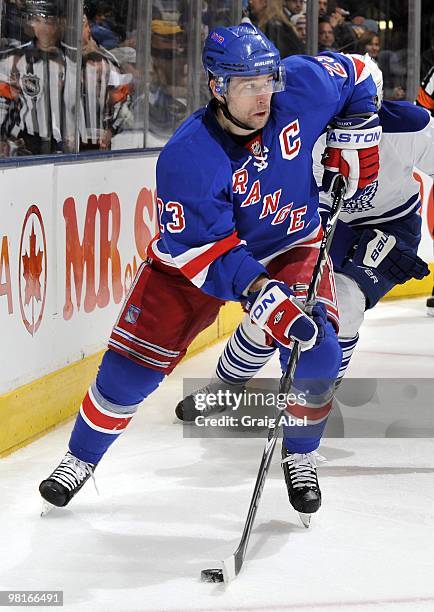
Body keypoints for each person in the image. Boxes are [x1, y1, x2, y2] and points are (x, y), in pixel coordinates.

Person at [39, 23, 381, 525]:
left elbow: (360, 73)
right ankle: (79, 459)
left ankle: (301, 454)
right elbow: (209, 254)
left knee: (321, 350)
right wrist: (267, 300)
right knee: (129, 371)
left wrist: (358, 138)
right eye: (248, 85)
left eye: (268, 81)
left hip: (288, 243)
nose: (264, 95)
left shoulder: (302, 86)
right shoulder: (189, 156)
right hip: (197, 263)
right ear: (217, 86)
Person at [177, 57, 432, 424]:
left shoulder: (411, 126)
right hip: (320, 226)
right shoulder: (300, 128)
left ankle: (312, 403)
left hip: (390, 227)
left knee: (344, 307)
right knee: (274, 312)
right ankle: (224, 386)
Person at [0, 0, 67, 155]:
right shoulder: (15, 59)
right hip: (23, 140)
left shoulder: (71, 60)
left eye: (49, 22)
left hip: (59, 143)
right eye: (39, 20)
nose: (45, 27)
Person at [62, 11, 131, 152]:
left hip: (96, 146)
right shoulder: (53, 61)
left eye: (86, 26)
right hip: (56, 146)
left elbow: (124, 100)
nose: (86, 32)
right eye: (77, 28)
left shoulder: (107, 64)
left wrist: (111, 131)